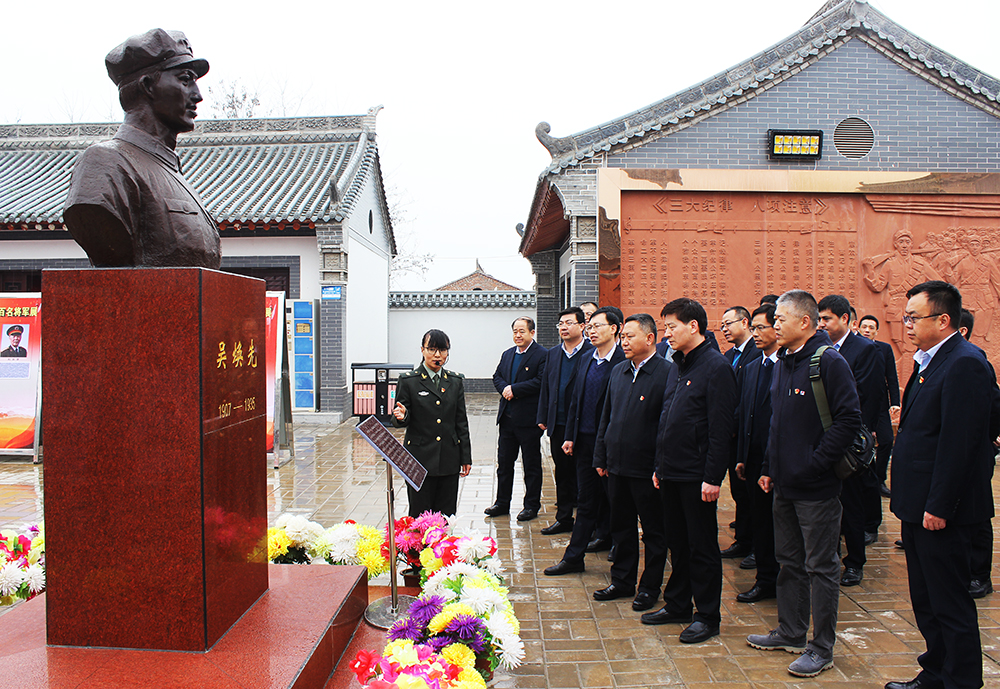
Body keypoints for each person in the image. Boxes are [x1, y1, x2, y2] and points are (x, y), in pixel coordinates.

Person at [886, 281, 995, 689]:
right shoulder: (929, 360)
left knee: (950, 602)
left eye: (914, 317)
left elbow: (960, 444)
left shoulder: (965, 362)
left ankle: (961, 681)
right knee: (927, 599)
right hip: (917, 504)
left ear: (944, 319)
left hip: (942, 510)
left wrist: (940, 506)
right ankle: (936, 671)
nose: (907, 324)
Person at [748, 290, 861, 678]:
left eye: (781, 319)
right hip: (784, 485)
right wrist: (769, 466)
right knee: (789, 562)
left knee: (821, 567)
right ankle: (791, 631)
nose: (774, 325)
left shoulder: (828, 361)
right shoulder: (784, 361)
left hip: (816, 489)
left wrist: (814, 465)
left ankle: (821, 646)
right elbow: (777, 421)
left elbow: (848, 420)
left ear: (805, 322)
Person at [64, 29, 221, 269]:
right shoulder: (107, 163)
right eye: (185, 79)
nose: (197, 95)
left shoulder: (170, 170)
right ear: (148, 86)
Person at [645, 298, 736, 646]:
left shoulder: (716, 367)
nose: (666, 334)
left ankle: (707, 616)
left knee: (702, 547)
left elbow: (721, 429)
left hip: (697, 477)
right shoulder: (677, 365)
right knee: (677, 544)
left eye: (671, 327)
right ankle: (678, 604)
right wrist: (659, 465)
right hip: (670, 472)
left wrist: (713, 477)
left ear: (693, 326)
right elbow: (666, 419)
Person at [592, 314, 673, 612]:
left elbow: (666, 425)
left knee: (653, 531)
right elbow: (607, 416)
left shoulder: (667, 373)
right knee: (621, 527)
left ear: (650, 338)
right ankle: (622, 580)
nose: (623, 342)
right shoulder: (619, 371)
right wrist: (601, 455)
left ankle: (650, 587)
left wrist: (659, 465)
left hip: (647, 469)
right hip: (616, 465)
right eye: (622, 337)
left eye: (629, 336)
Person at [545, 307, 626, 575]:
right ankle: (574, 557)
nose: (591, 331)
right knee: (586, 500)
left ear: (614, 329)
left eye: (596, 326)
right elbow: (576, 402)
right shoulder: (587, 359)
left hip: (611, 445)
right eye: (590, 327)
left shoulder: (623, 362)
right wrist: (570, 435)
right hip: (584, 442)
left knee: (616, 500)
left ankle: (617, 547)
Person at [817, 294, 884, 586]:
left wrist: (851, 436)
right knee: (827, 505)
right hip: (823, 440)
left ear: (845, 319)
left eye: (827, 319)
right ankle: (829, 557)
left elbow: (867, 397)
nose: (822, 324)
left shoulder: (865, 350)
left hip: (848, 442)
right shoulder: (820, 349)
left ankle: (854, 562)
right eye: (819, 319)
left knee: (852, 506)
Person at [392, 329, 472, 517]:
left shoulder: (454, 381)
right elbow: (398, 418)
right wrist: (402, 416)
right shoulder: (409, 380)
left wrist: (465, 457)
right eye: (432, 349)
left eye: (443, 350)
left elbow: (461, 421)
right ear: (422, 350)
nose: (438, 355)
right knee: (420, 515)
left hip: (448, 458)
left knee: (446, 516)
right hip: (419, 459)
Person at [733, 304, 780, 603]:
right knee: (760, 522)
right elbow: (743, 415)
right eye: (754, 328)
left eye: (762, 328)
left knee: (780, 527)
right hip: (752, 460)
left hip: (778, 463)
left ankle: (786, 581)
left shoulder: (788, 365)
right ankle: (765, 580)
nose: (756, 334)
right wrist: (741, 455)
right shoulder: (752, 368)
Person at [537, 307, 594, 534]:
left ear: (582, 326)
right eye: (561, 323)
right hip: (558, 423)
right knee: (562, 472)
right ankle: (564, 518)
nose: (564, 327)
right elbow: (546, 386)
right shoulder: (553, 353)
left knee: (586, 475)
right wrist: (543, 415)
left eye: (569, 323)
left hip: (583, 424)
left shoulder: (592, 352)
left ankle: (590, 524)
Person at [486, 317, 547, 521]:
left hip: (529, 420)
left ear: (532, 332)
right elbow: (497, 376)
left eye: (522, 331)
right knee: (504, 464)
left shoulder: (542, 355)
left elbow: (541, 381)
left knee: (531, 465)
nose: (518, 335)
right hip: (507, 419)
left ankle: (531, 505)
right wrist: (505, 388)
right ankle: (502, 503)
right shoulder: (508, 354)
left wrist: (515, 389)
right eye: (515, 331)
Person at [957, 308, 998, 601]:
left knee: (978, 514)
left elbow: (995, 406)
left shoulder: (973, 360)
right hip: (963, 450)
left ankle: (980, 575)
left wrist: (988, 441)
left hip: (977, 450)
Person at [719, 306, 758, 564]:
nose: (724, 329)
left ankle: (756, 545)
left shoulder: (757, 354)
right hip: (731, 435)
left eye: (728, 324)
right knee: (739, 492)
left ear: (745, 323)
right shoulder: (729, 355)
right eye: (722, 325)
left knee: (752, 494)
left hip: (746, 433)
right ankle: (743, 540)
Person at [858, 314, 900, 501]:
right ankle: (861, 478)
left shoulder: (884, 349)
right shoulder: (853, 348)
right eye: (864, 327)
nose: (867, 330)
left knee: (886, 440)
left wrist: (895, 402)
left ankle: (879, 479)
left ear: (876, 331)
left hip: (880, 404)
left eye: (871, 327)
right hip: (859, 404)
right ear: (858, 328)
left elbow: (891, 377)